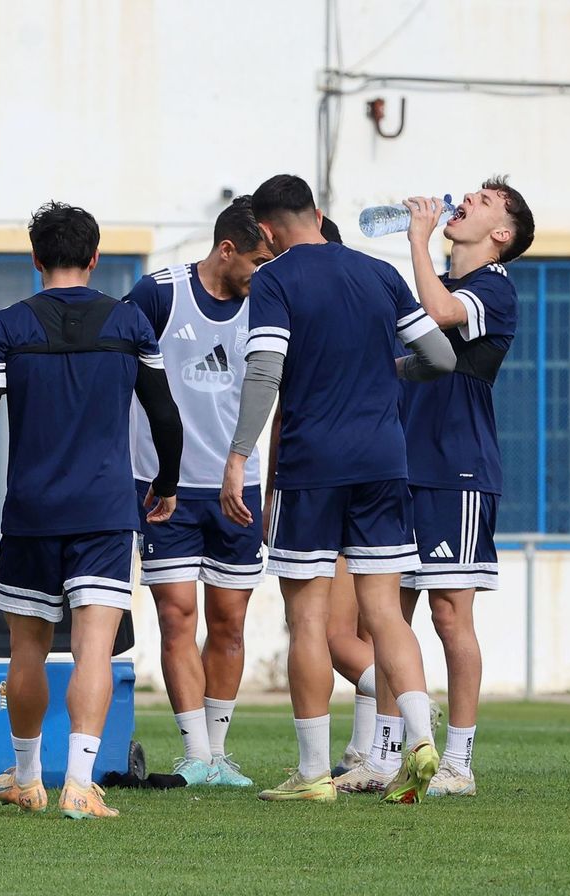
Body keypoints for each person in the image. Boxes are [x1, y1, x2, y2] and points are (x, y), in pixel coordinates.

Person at [222, 174, 455, 803]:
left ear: (265, 232)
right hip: (384, 462)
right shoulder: (377, 273)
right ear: (318, 214)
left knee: (308, 619)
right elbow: (441, 358)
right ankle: (420, 743)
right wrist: (386, 371)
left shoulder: (274, 279)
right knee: (385, 614)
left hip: (312, 467)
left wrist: (239, 455)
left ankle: (312, 774)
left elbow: (266, 369)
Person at [0, 201, 184, 819]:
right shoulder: (130, 322)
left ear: (35, 259)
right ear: (94, 258)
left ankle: (27, 778)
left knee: (26, 652)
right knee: (93, 649)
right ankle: (80, 786)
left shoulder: (7, 325)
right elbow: (165, 415)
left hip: (31, 511)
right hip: (107, 511)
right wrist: (167, 480)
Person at [124, 197, 272, 789]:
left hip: (240, 485)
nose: (267, 271)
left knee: (229, 620)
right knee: (177, 615)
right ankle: (196, 754)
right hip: (166, 488)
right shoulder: (158, 295)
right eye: (259, 260)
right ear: (227, 249)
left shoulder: (268, 303)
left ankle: (220, 752)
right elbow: (118, 380)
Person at [396, 178, 534, 798]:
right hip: (399, 466)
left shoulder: (492, 292)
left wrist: (418, 243)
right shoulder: (436, 284)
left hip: (457, 470)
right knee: (386, 613)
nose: (465, 202)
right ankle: (384, 753)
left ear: (500, 236)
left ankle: (458, 762)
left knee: (451, 615)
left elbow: (443, 315)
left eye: (483, 202)